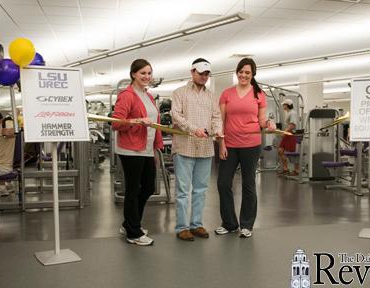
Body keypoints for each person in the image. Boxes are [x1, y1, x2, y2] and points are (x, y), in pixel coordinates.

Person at [216, 58, 275, 238]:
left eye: (247, 72)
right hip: (230, 145)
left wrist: (269, 124)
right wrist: (222, 144)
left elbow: (262, 120)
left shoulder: (259, 94)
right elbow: (220, 120)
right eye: (241, 71)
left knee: (249, 184)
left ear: (252, 74)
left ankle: (247, 224)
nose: (243, 75)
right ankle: (229, 223)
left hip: (251, 144)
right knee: (223, 183)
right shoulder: (227, 93)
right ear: (237, 72)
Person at [112, 59, 163, 246]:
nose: (147, 77)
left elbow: (155, 125)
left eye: (149, 73)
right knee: (133, 190)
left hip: (147, 149)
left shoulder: (148, 96)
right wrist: (138, 120)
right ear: (133, 74)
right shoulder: (127, 95)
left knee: (149, 187)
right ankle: (133, 232)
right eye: (143, 73)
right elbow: (116, 123)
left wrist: (156, 149)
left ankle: (129, 223)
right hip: (131, 149)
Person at [171, 58, 223, 241]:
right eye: (201, 73)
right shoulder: (179, 93)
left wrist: (217, 131)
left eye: (207, 74)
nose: (204, 77)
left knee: (201, 189)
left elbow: (217, 117)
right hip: (184, 148)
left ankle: (196, 224)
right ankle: (182, 227)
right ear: (192, 72)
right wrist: (195, 130)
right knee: (183, 190)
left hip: (205, 149)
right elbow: (176, 116)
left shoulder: (211, 96)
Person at [0, 109, 16, 197]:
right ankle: (4, 188)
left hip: (2, 168)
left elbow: (10, 131)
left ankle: (3, 188)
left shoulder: (6, 123)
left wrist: (10, 132)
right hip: (1, 165)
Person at [277, 99, 299, 176]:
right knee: (280, 151)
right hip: (287, 134)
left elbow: (293, 125)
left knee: (292, 154)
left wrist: (284, 131)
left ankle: (297, 170)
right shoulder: (288, 113)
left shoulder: (292, 113)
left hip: (291, 134)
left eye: (284, 104)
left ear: (287, 105)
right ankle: (285, 169)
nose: (283, 106)